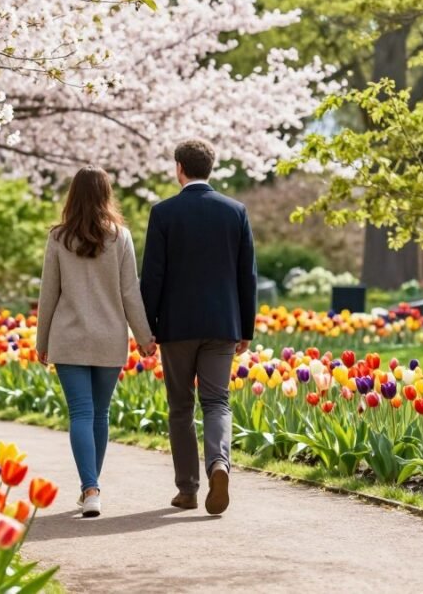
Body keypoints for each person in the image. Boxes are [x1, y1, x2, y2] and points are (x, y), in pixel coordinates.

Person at [140, 139, 257, 516]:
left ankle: (188, 490)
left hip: (177, 327)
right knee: (217, 401)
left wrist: (148, 326)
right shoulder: (235, 211)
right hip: (224, 323)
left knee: (179, 408)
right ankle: (219, 464)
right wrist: (246, 328)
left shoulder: (163, 213)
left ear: (179, 168)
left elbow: (153, 276)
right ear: (211, 167)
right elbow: (247, 275)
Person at [36, 166, 156, 517]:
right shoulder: (120, 237)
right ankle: (91, 489)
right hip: (109, 337)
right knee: (99, 414)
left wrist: (42, 340)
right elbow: (130, 292)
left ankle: (91, 488)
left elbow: (49, 294)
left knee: (81, 414)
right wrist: (145, 337)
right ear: (107, 195)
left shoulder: (58, 238)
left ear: (73, 196)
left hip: (69, 336)